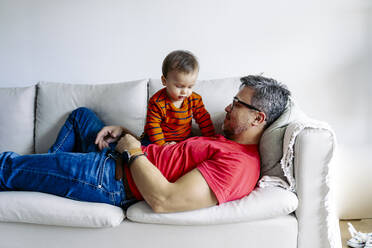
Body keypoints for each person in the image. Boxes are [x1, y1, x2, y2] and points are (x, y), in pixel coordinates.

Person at [0, 75, 290, 213]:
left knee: (6, 165)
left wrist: (132, 150)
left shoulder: (239, 165)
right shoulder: (225, 140)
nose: (227, 108)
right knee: (81, 117)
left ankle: (36, 174)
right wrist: (126, 134)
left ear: (258, 118)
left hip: (110, 178)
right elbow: (168, 154)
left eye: (237, 103)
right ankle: (43, 174)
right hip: (119, 158)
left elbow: (165, 200)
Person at [142, 50, 215, 146]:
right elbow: (153, 126)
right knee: (146, 149)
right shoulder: (157, 102)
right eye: (179, 86)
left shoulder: (194, 99)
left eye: (190, 87)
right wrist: (162, 145)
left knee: (196, 147)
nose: (185, 92)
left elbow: (204, 120)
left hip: (184, 139)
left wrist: (211, 140)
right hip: (157, 140)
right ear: (164, 81)